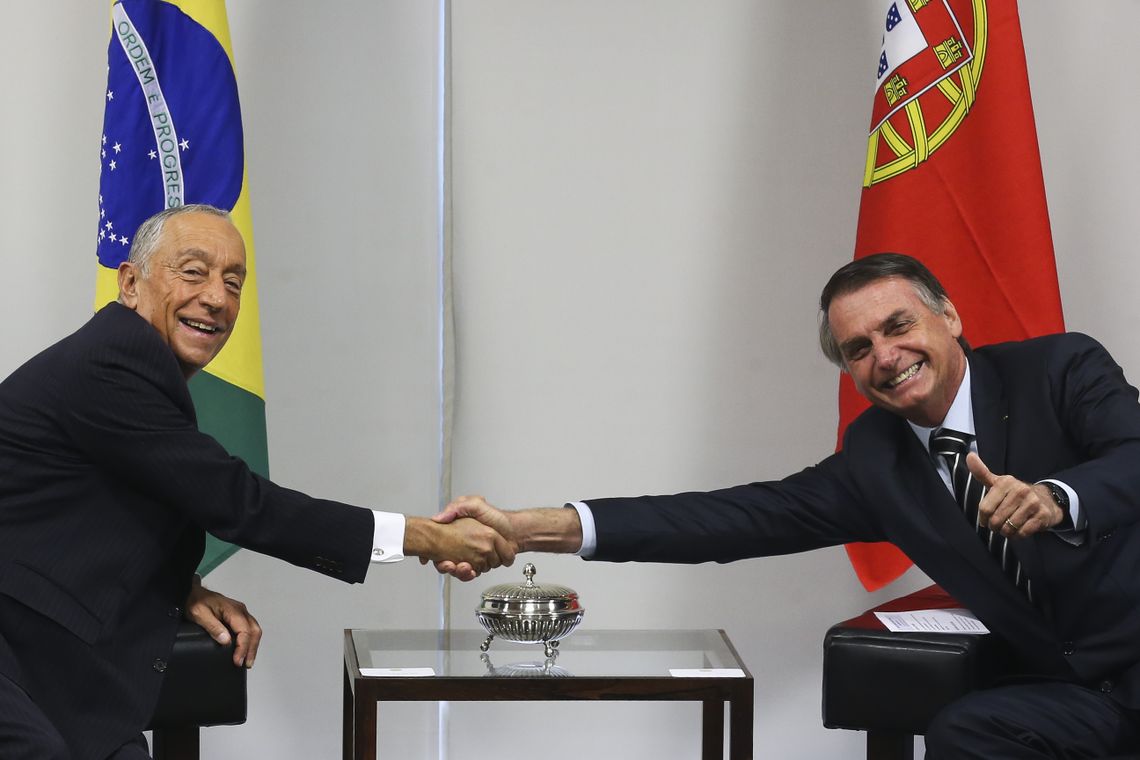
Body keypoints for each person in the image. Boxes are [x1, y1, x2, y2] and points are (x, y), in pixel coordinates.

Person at [435, 253, 1140, 758]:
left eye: (899, 326)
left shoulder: (1058, 370)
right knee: (964, 733)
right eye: (857, 349)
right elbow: (733, 517)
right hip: (1076, 693)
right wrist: (531, 530)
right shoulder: (878, 458)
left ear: (949, 315)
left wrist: (1057, 497)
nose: (886, 356)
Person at [0, 204, 512, 760]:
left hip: (58, 672)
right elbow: (239, 503)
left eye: (233, 282)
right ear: (130, 283)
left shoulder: (136, 370)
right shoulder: (115, 360)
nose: (217, 298)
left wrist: (183, 589)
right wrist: (427, 536)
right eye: (193, 272)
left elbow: (79, 516)